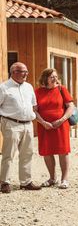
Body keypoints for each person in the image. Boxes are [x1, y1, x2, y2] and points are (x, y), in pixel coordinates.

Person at [0, 62, 41, 193]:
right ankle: (4, 182)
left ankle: (26, 182)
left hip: (28, 124)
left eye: (26, 72)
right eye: (23, 72)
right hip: (11, 124)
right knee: (8, 154)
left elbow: (34, 105)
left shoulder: (29, 87)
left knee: (27, 154)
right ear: (14, 72)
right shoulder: (3, 87)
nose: (26, 74)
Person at [34, 68, 76, 189]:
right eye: (52, 77)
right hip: (44, 126)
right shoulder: (37, 92)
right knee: (47, 152)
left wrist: (61, 120)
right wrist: (42, 122)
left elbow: (70, 107)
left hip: (60, 125)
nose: (55, 79)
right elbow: (34, 110)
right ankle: (52, 178)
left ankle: (64, 179)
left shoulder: (62, 89)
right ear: (45, 78)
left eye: (56, 76)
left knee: (63, 151)